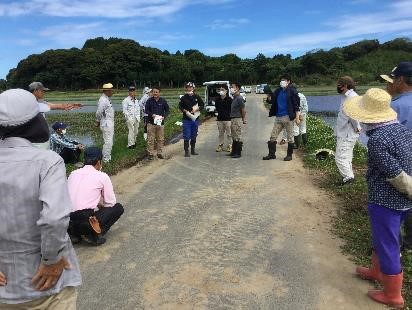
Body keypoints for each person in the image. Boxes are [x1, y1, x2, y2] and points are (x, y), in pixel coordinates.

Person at [0, 89, 81, 308]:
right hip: (46, 285)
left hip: (5, 290)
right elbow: (54, 218)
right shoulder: (47, 162)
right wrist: (51, 261)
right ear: (34, 121)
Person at [344, 88, 412, 308]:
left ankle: (393, 295)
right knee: (382, 239)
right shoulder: (403, 131)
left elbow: (395, 175)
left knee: (389, 244)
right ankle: (376, 271)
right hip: (403, 203)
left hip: (386, 202)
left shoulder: (377, 140)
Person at [381, 62, 412, 252]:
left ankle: (394, 248)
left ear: (400, 80)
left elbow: (380, 140)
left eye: (392, 80)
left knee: (391, 206)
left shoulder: (395, 106)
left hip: (398, 164)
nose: (389, 84)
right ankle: (409, 244)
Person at [67, 147, 124, 246]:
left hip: (67, 220)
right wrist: (100, 206)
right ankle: (94, 234)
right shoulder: (102, 176)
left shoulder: (73, 174)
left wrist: (96, 203)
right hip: (85, 220)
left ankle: (73, 234)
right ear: (98, 162)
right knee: (118, 208)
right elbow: (110, 203)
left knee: (81, 213)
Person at [29, 81, 82, 150]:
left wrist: (72, 105)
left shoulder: (40, 102)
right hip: (35, 139)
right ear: (36, 90)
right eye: (42, 91)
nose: (43, 93)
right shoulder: (29, 103)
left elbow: (56, 106)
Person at [263, 74, 300, 161]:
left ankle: (289, 155)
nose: (282, 82)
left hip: (288, 117)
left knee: (290, 137)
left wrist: (297, 117)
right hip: (278, 117)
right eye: (281, 80)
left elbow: (296, 106)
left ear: (288, 82)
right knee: (273, 136)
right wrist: (268, 95)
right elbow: (271, 101)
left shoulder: (292, 91)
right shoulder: (278, 90)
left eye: (284, 80)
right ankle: (271, 154)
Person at [334, 76, 361, 185]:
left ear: (345, 85)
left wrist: (357, 128)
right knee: (347, 157)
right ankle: (349, 178)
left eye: (339, 85)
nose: (338, 87)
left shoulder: (352, 98)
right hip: (345, 132)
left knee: (340, 158)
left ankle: (348, 178)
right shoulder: (346, 96)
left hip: (347, 133)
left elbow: (353, 116)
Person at [179, 82, 205, 157]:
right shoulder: (183, 97)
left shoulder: (197, 96)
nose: (189, 88)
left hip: (195, 119)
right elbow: (180, 106)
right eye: (187, 87)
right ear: (186, 88)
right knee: (186, 135)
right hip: (186, 119)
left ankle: (193, 150)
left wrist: (197, 109)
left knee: (194, 134)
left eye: (190, 87)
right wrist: (184, 110)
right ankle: (186, 151)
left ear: (193, 88)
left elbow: (202, 105)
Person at [144, 87, 170, 159]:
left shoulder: (163, 101)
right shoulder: (149, 101)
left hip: (160, 123)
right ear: (152, 93)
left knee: (160, 139)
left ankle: (159, 153)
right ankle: (150, 153)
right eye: (154, 92)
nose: (155, 93)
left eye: (156, 92)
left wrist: (164, 117)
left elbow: (167, 110)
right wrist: (152, 114)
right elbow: (146, 110)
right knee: (150, 139)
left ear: (159, 93)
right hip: (151, 123)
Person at [96, 83, 115, 163]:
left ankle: (107, 157)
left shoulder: (106, 98)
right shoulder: (103, 100)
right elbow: (99, 112)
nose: (112, 92)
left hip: (109, 122)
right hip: (106, 123)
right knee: (108, 141)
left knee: (109, 141)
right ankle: (105, 159)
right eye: (111, 90)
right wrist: (97, 121)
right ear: (107, 91)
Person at [228, 82, 247, 158]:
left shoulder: (239, 98)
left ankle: (238, 153)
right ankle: (233, 151)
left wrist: (243, 119)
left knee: (237, 135)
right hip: (233, 118)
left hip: (237, 119)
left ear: (237, 88)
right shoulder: (234, 97)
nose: (231, 88)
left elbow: (243, 109)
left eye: (233, 87)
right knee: (233, 135)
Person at [214, 85, 232, 152]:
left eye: (223, 90)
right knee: (220, 133)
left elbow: (231, 109)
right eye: (220, 89)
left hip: (228, 119)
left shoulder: (230, 99)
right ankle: (220, 145)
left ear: (226, 91)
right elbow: (216, 109)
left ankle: (230, 145)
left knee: (229, 134)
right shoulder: (217, 99)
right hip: (220, 119)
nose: (221, 91)